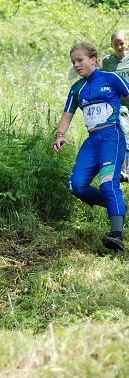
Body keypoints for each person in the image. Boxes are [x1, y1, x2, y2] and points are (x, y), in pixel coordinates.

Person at [52, 42, 129, 251]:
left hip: (111, 137)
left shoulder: (111, 78)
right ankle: (119, 207)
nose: (76, 65)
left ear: (94, 59)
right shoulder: (77, 88)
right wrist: (59, 135)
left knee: (107, 182)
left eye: (80, 60)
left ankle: (116, 235)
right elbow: (67, 116)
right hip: (91, 141)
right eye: (73, 62)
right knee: (77, 185)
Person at [102, 30, 129, 176]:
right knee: (124, 130)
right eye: (116, 44)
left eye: (122, 43)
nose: (119, 47)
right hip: (120, 103)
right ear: (111, 45)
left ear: (127, 43)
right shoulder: (107, 62)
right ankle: (124, 169)